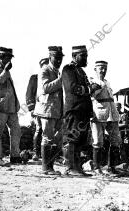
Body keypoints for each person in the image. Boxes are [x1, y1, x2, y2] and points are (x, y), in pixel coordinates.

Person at [62, 45, 95, 176]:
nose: (86, 58)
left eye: (86, 55)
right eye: (83, 56)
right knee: (72, 138)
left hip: (83, 111)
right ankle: (70, 168)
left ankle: (77, 167)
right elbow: (73, 88)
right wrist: (90, 89)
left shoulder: (81, 71)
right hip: (74, 110)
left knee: (81, 139)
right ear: (75, 56)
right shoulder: (68, 69)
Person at [0, 47, 22, 166]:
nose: (10, 61)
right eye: (8, 58)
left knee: (16, 131)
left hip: (11, 107)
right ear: (1, 57)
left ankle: (15, 156)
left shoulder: (5, 70)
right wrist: (6, 70)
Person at [34, 47, 64, 175]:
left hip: (56, 110)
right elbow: (45, 88)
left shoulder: (57, 71)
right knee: (47, 138)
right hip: (46, 110)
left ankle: (50, 166)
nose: (59, 61)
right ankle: (46, 168)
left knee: (55, 139)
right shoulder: (45, 70)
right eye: (56, 58)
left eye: (60, 58)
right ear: (50, 57)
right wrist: (61, 80)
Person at [89, 61, 121, 175]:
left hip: (112, 115)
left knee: (115, 141)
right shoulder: (93, 81)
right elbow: (91, 94)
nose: (103, 70)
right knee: (98, 141)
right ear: (95, 69)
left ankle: (111, 167)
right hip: (99, 114)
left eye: (105, 68)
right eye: (101, 68)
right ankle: (96, 168)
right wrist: (97, 85)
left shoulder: (107, 82)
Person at [26, 58, 49, 161]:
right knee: (39, 129)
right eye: (44, 65)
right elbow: (29, 93)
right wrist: (31, 108)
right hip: (38, 108)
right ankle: (36, 152)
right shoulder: (35, 78)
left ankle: (47, 154)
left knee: (48, 131)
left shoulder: (54, 77)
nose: (46, 66)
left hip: (50, 109)